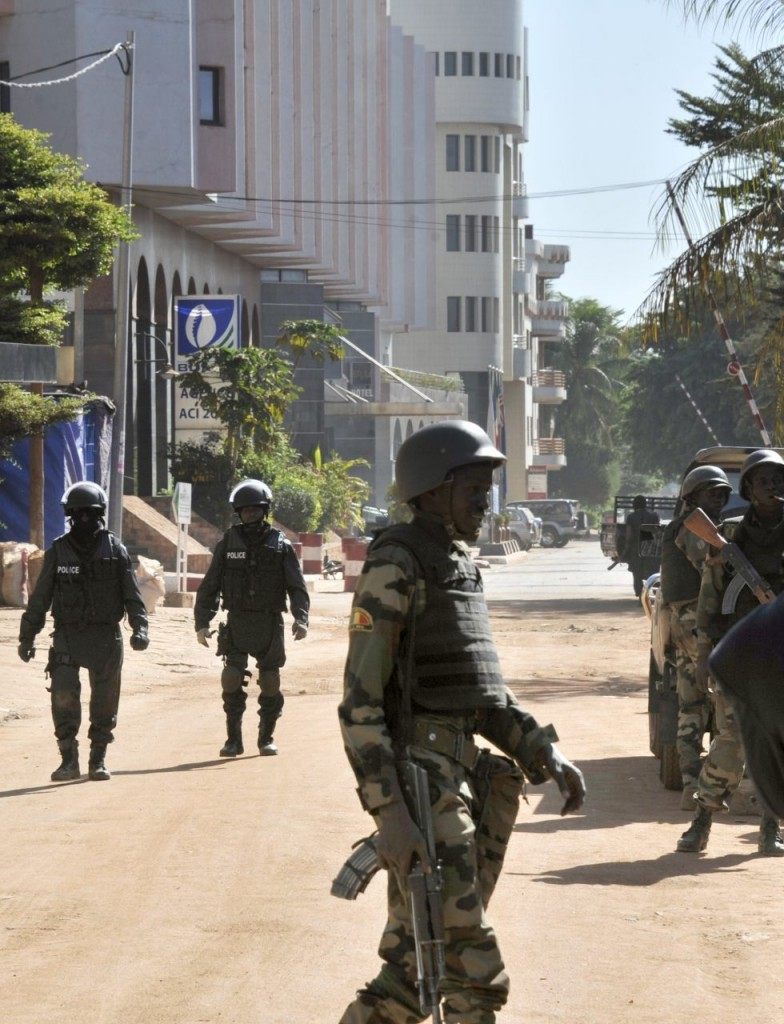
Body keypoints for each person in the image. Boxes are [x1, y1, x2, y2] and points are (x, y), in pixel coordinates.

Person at [337, 421, 586, 1024]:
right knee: (473, 974)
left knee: (408, 976)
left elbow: (479, 692)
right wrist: (390, 814)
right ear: (431, 491)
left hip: (460, 778)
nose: (484, 501)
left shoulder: (458, 565)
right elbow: (359, 704)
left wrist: (541, 753)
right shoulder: (396, 563)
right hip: (423, 790)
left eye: (486, 489)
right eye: (473, 488)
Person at [677, 448, 784, 856]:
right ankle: (701, 820)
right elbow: (710, 598)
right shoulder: (730, 534)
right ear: (749, 489)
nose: (773, 487)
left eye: (779, 479)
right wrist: (705, 652)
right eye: (764, 480)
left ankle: (769, 830)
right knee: (732, 738)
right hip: (738, 649)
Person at [17, 482, 149, 782]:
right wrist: (27, 635)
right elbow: (40, 598)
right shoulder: (58, 551)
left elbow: (132, 595)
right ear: (69, 515)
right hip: (67, 635)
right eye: (77, 515)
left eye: (89, 514)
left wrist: (140, 627)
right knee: (63, 696)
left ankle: (98, 758)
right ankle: (69, 759)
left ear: (100, 514)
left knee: (104, 700)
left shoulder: (116, 550)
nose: (83, 520)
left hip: (106, 636)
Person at [194, 479, 309, 757]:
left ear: (265, 511)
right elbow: (210, 584)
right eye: (245, 511)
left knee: (270, 681)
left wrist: (301, 618)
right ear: (238, 513)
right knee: (231, 678)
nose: (251, 516)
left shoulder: (280, 545)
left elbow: (296, 586)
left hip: (269, 623)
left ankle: (266, 738)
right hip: (237, 621)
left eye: (256, 511)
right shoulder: (227, 543)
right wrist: (202, 622)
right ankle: (233, 740)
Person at [659, 466, 731, 808]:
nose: (719, 500)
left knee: (691, 704)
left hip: (686, 622)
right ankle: (710, 784)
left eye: (722, 495)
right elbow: (714, 569)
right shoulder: (692, 527)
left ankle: (692, 783)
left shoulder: (695, 526)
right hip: (696, 623)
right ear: (691, 497)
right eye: (711, 494)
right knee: (719, 703)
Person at [621, 494, 661, 598]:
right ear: (645, 504)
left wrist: (625, 550)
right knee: (653, 573)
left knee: (637, 574)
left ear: (634, 505)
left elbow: (629, 536)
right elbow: (657, 533)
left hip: (636, 549)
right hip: (651, 549)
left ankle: (640, 594)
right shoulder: (654, 515)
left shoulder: (631, 517)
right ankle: (657, 595)